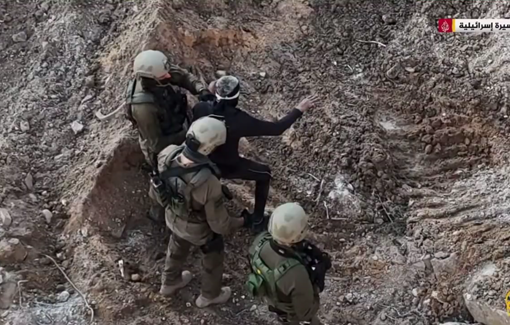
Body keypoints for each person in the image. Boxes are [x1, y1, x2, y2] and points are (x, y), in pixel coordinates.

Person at [192, 76, 319, 232]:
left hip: (202, 162)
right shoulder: (239, 120)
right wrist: (299, 109)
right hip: (227, 166)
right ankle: (257, 220)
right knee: (264, 173)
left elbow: (210, 104)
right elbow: (276, 129)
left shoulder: (201, 108)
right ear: (236, 98)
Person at [151, 116, 253, 308]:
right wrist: (241, 221)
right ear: (207, 148)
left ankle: (169, 282)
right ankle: (209, 295)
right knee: (213, 253)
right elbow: (219, 225)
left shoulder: (167, 154)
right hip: (197, 231)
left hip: (173, 218)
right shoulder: (207, 182)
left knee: (176, 246)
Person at [124, 50, 214, 221]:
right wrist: (188, 136)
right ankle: (159, 213)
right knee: (166, 180)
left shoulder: (158, 72)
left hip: (177, 127)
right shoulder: (143, 107)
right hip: (162, 146)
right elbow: (156, 144)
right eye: (164, 74)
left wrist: (200, 90)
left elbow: (182, 76)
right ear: (151, 79)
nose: (169, 75)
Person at [246, 203, 331, 325]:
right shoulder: (295, 272)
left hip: (272, 300)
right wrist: (316, 285)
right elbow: (306, 312)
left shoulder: (260, 242)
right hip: (292, 314)